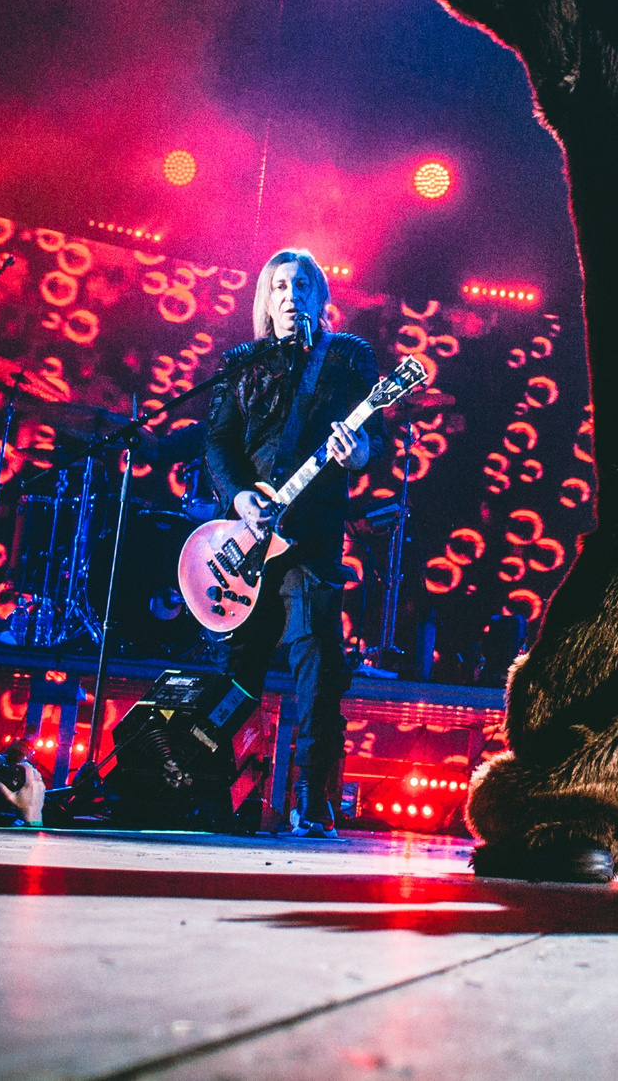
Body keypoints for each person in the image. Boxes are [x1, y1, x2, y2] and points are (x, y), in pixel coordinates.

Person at [201, 249, 383, 837]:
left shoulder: (348, 355)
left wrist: (359, 452)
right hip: (248, 538)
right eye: (279, 285)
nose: (290, 294)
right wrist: (239, 498)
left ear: (319, 297)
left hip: (313, 536)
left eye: (302, 285)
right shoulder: (242, 362)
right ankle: (226, 792)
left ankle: (312, 796)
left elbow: (374, 438)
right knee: (239, 667)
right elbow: (217, 444)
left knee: (318, 665)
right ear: (266, 298)